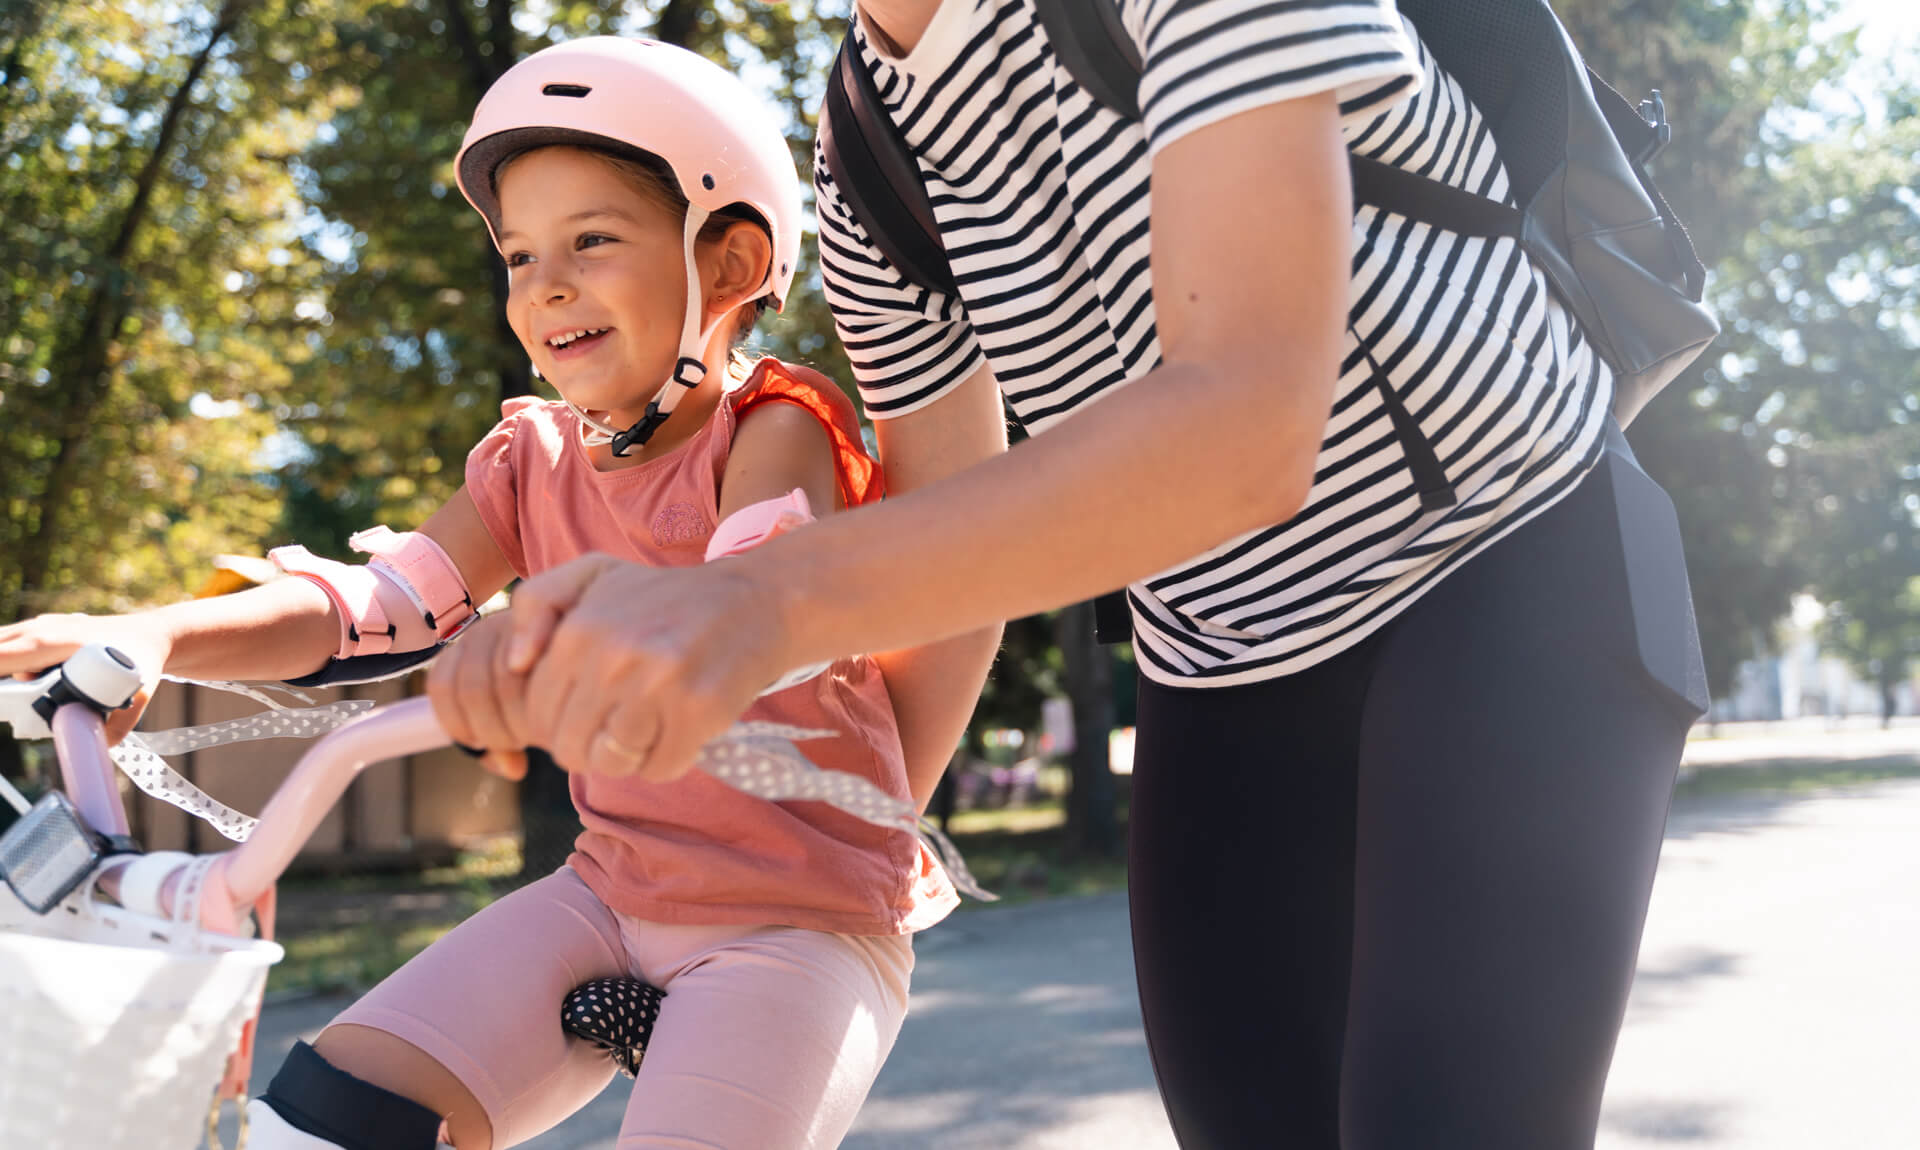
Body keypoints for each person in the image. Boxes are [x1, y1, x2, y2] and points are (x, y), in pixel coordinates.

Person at [433, 2, 1713, 1147]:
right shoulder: (870, 142)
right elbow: (944, 547)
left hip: (1504, 560)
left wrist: (752, 602)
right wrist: (816, 873)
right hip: (1220, 647)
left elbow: (1249, 426)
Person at [0, 37, 964, 1150]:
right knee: (314, 1124)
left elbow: (752, 605)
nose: (544, 284)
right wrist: (151, 633)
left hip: (799, 919)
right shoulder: (528, 459)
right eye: (516, 255)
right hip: (608, 890)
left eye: (591, 241)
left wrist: (559, 658)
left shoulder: (778, 427)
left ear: (733, 267)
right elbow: (377, 608)